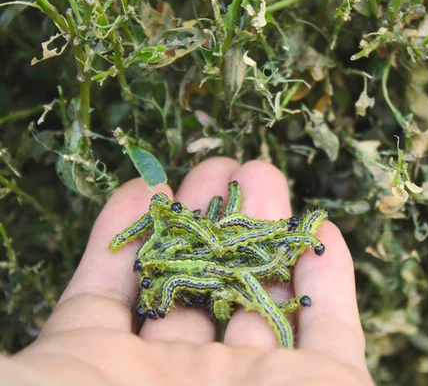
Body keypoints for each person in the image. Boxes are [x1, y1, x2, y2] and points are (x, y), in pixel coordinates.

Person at [0, 158, 374, 385]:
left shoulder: (232, 257)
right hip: (206, 265)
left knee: (244, 266)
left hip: (230, 263)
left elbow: (221, 250)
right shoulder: (169, 260)